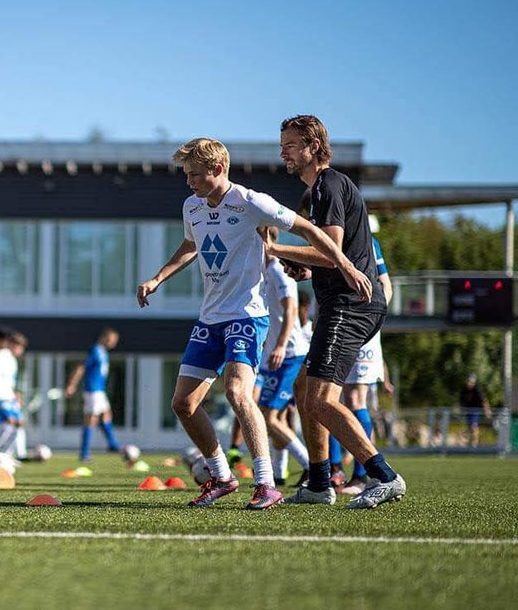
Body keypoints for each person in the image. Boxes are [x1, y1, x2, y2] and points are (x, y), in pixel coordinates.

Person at [137, 137, 369, 510]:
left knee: (238, 393)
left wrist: (345, 265)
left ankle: (265, 484)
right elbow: (190, 245)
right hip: (210, 318)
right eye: (187, 175)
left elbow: (309, 230)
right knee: (183, 402)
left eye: (195, 174)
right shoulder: (191, 206)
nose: (189, 182)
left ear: (218, 170)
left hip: (246, 316)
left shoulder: (250, 202)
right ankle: (222, 476)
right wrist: (158, 278)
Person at [272, 114, 405, 508]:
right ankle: (317, 482)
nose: (284, 153)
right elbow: (328, 257)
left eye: (291, 145)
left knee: (323, 399)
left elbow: (330, 252)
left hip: (350, 304)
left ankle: (384, 476)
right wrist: (303, 268)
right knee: (304, 391)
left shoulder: (328, 185)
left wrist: (275, 249)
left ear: (313, 146)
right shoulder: (317, 192)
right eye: (282, 146)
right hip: (342, 301)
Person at [337, 234, 395, 495]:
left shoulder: (366, 241)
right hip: (343, 324)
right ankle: (340, 469)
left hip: (360, 326)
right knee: (340, 399)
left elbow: (385, 285)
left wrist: (369, 319)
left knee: (355, 398)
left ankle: (362, 476)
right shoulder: (336, 234)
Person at [256, 230, 311, 486]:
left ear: (266, 238)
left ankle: (312, 465)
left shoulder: (279, 269)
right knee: (270, 417)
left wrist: (279, 346)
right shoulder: (264, 271)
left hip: (289, 354)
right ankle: (278, 474)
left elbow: (291, 310)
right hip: (273, 357)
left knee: (269, 417)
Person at [65, 328, 122, 462]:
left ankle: (112, 444)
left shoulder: (104, 353)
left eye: (115, 341)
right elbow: (81, 367)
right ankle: (84, 454)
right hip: (93, 391)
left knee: (106, 415)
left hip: (100, 391)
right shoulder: (95, 350)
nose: (113, 343)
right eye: (111, 340)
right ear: (103, 338)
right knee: (91, 420)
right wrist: (71, 385)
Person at [459, 373, 491, 447]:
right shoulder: (464, 390)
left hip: (476, 410)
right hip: (468, 411)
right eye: (468, 381)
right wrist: (460, 409)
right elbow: (461, 401)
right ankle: (471, 442)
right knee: (470, 427)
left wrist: (487, 410)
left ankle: (475, 443)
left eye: (471, 381)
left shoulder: (477, 389)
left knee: (474, 426)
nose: (469, 383)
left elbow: (484, 400)